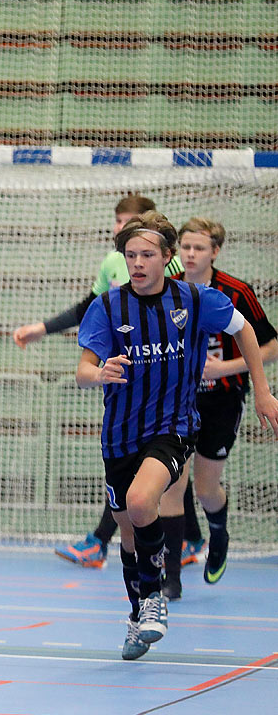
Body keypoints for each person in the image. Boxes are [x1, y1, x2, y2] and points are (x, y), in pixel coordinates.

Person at [76, 211, 277, 660]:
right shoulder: (108, 306)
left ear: (167, 258)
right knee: (128, 537)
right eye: (130, 255)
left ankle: (155, 597)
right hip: (119, 435)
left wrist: (262, 392)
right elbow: (83, 370)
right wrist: (99, 372)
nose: (138, 263)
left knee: (143, 501)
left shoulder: (195, 299)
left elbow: (245, 330)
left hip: (173, 427)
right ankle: (136, 615)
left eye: (148, 254)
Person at [13, 193, 203, 570]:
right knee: (143, 480)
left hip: (171, 391)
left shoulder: (174, 270)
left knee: (158, 480)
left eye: (126, 221)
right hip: (127, 396)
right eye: (117, 223)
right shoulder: (114, 267)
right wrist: (44, 328)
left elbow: (190, 307)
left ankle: (137, 552)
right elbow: (90, 306)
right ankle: (176, 545)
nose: (119, 229)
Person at [175, 217, 278, 586]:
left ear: (214, 252)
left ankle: (218, 532)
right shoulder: (168, 287)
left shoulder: (236, 291)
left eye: (198, 248)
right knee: (172, 478)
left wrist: (225, 369)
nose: (190, 254)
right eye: (185, 247)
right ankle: (172, 566)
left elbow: (271, 345)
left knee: (205, 488)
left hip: (223, 399)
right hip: (178, 400)